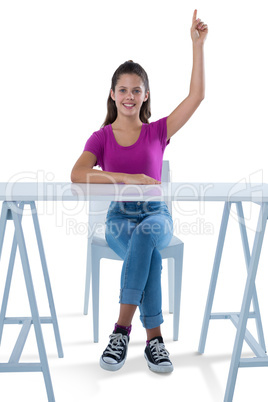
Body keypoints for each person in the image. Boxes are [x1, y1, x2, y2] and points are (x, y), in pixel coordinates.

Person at [71, 9, 208, 373]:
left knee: (147, 234)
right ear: (112, 95)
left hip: (156, 216)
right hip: (119, 219)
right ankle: (154, 341)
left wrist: (197, 46)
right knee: (149, 255)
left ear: (146, 96)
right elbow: (78, 173)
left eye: (136, 90)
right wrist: (129, 179)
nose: (129, 96)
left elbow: (196, 96)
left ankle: (120, 331)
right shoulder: (101, 137)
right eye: (123, 90)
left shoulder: (157, 132)